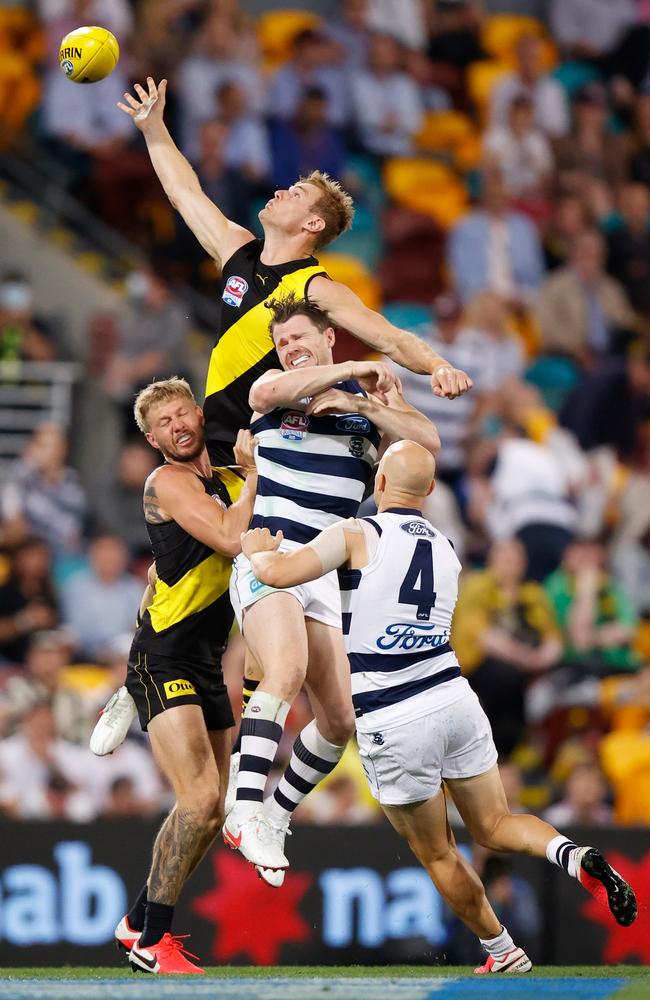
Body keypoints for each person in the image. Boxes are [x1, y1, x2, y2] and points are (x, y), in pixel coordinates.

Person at [241, 440, 637, 973]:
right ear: (429, 490)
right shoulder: (448, 547)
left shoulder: (360, 532)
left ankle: (502, 950)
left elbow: (279, 575)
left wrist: (255, 548)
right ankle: (571, 855)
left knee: (439, 853)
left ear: (378, 483)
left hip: (394, 716)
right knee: (496, 824)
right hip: (454, 698)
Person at [222, 294, 439, 882]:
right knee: (285, 671)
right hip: (270, 555)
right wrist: (347, 372)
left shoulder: (361, 411)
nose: (291, 350)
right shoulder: (276, 392)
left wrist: (357, 401)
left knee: (340, 720)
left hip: (324, 570)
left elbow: (426, 445)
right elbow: (262, 394)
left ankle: (274, 812)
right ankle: (241, 809)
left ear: (329, 337)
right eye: (284, 342)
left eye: (301, 340)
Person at [111, 377, 258, 975]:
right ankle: (154, 942)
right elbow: (230, 537)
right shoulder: (166, 482)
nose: (177, 426)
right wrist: (253, 476)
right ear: (152, 439)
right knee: (197, 799)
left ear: (197, 413)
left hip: (204, 655)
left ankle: (137, 921)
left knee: (214, 807)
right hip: (163, 655)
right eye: (162, 424)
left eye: (181, 413)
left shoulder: (222, 477)